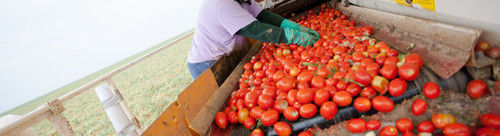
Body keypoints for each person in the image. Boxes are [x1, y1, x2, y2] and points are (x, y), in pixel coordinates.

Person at [187, 0, 320, 79]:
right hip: (206, 64)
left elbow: (264, 16)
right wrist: (294, 37)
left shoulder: (242, 0)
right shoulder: (222, 3)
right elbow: (256, 30)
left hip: (224, 54)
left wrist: (291, 25)